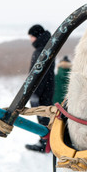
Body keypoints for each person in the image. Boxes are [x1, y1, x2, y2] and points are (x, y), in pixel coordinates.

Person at [25, 24, 55, 153]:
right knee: (46, 115)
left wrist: (34, 93)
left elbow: (38, 76)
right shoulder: (48, 47)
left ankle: (45, 144)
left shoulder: (41, 51)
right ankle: (48, 142)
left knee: (43, 116)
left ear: (36, 36)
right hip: (47, 88)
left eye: (31, 36)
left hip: (41, 90)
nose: (30, 39)